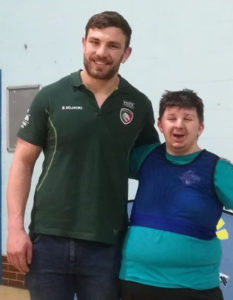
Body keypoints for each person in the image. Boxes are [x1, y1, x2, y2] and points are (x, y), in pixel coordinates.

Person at [6, 11, 160, 300]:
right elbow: (22, 163)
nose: (101, 52)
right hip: (47, 241)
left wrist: (200, 164)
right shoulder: (51, 97)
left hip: (107, 244)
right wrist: (15, 228)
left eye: (113, 46)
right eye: (95, 42)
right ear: (83, 43)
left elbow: (153, 165)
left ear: (126, 53)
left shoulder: (138, 105)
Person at [120, 89, 233, 300]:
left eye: (187, 118)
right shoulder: (145, 157)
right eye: (171, 118)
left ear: (200, 127)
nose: (179, 124)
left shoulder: (218, 169)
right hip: (135, 283)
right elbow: (100, 163)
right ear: (160, 125)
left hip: (195, 289)